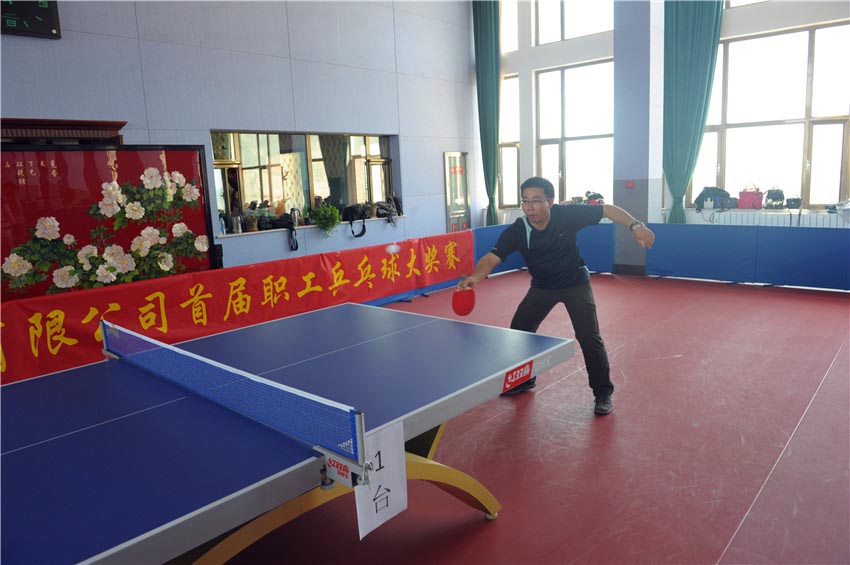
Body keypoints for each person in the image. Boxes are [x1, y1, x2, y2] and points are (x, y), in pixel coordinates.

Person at [459, 177, 655, 415]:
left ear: (549, 202)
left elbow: (607, 210)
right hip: (542, 287)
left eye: (536, 200)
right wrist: (475, 277)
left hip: (575, 283)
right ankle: (525, 379)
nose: (529, 207)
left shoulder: (565, 215)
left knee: (589, 337)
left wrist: (636, 226)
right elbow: (492, 258)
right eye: (525, 201)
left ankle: (603, 392)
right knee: (520, 329)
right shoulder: (519, 229)